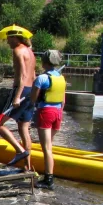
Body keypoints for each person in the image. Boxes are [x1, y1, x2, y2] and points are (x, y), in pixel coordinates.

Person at [0, 26, 36, 169]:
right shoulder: (30, 52)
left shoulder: (17, 51)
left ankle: (19, 151)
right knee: (24, 129)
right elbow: (33, 75)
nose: (7, 42)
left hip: (21, 90)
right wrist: (35, 95)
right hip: (31, 91)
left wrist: (17, 97)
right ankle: (27, 167)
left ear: (14, 38)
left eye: (8, 39)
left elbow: (23, 76)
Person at [29, 50, 66, 190]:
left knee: (47, 148)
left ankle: (48, 179)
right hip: (58, 113)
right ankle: (49, 174)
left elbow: (33, 99)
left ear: (44, 62)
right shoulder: (62, 78)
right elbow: (63, 102)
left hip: (46, 113)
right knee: (49, 145)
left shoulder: (41, 79)